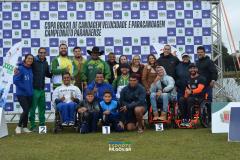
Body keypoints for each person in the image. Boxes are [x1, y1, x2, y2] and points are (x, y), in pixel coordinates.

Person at [29, 47, 52, 131]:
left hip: (42, 89)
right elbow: (25, 64)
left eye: (44, 53)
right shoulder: (33, 61)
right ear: (38, 53)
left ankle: (42, 125)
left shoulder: (45, 63)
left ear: (46, 54)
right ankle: (32, 125)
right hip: (34, 89)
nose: (42, 54)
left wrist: (56, 73)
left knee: (42, 108)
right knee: (32, 109)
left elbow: (47, 74)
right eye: (41, 52)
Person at [13, 54, 34, 134]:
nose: (30, 60)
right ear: (25, 59)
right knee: (26, 110)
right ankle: (18, 126)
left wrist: (29, 90)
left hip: (30, 94)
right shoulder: (20, 68)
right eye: (28, 58)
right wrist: (25, 88)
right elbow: (15, 80)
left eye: (31, 59)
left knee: (27, 110)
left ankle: (25, 127)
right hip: (21, 93)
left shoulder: (31, 69)